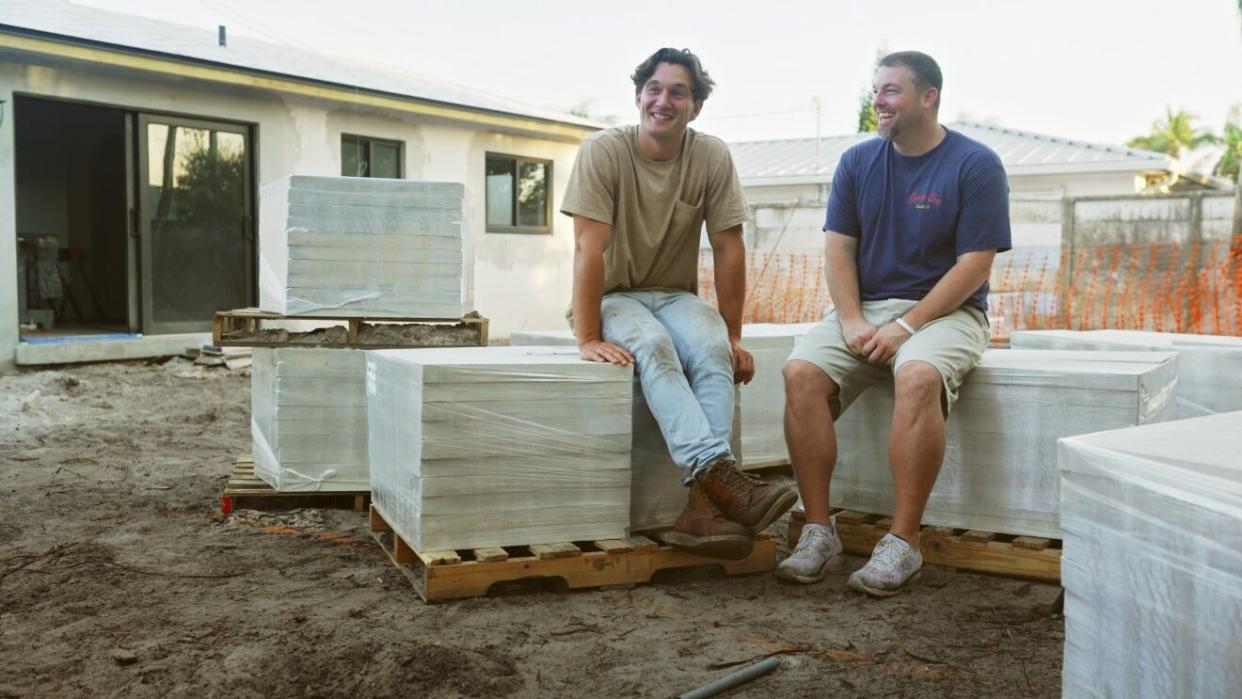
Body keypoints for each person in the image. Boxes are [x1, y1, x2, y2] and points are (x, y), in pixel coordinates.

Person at [777, 51, 1011, 595]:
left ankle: (903, 543)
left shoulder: (975, 164)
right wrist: (853, 320)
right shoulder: (857, 163)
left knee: (917, 377)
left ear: (928, 97)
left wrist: (905, 328)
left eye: (890, 91)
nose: (877, 101)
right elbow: (838, 250)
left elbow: (974, 264)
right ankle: (817, 530)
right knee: (800, 373)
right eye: (875, 90)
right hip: (866, 308)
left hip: (947, 311)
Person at [561, 47, 797, 560]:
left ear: (695, 106)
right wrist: (587, 337)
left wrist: (733, 336)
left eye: (678, 92)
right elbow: (588, 248)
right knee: (653, 345)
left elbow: (729, 247)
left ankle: (699, 510)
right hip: (614, 296)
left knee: (711, 348)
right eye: (655, 89)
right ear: (638, 96)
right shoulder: (603, 151)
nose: (663, 100)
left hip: (674, 295)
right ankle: (721, 475)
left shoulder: (710, 155)